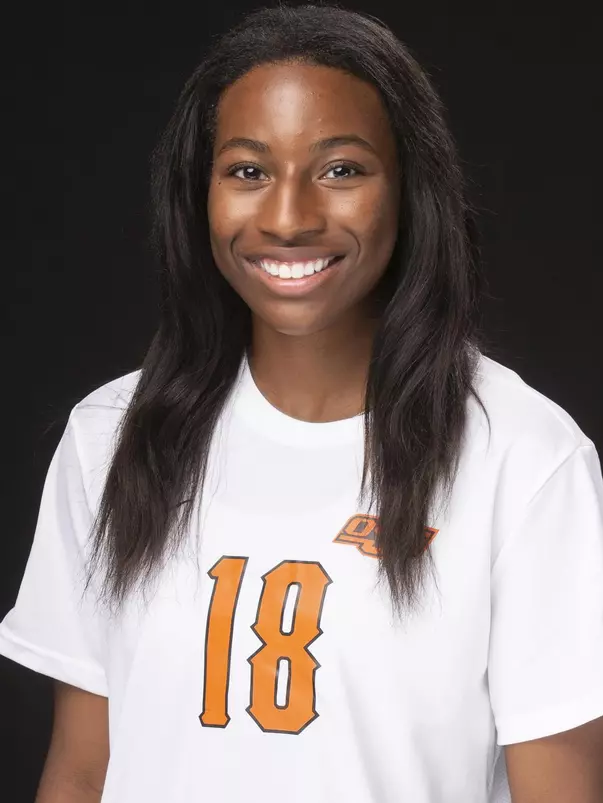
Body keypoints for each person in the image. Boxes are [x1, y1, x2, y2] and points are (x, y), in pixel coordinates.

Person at [1, 4, 602, 802]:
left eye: (340, 169)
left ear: (408, 189)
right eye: (247, 170)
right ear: (199, 192)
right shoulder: (109, 439)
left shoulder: (522, 458)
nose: (288, 218)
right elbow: (80, 770)